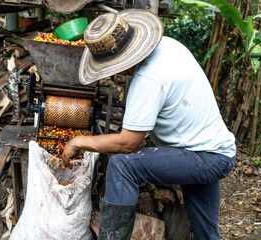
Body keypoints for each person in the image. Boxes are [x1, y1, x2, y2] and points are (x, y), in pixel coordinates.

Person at [61, 8, 236, 240]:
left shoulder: (148, 78)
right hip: (217, 152)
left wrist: (79, 142)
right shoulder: (169, 46)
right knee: (206, 233)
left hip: (202, 156)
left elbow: (128, 143)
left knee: (123, 165)